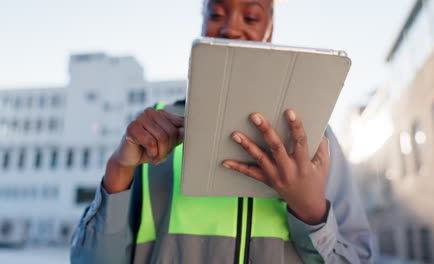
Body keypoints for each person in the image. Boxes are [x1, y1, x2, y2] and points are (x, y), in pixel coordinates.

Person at [70, 0, 373, 263]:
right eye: (215, 14)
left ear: (271, 29)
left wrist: (310, 212)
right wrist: (119, 170)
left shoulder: (315, 137)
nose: (230, 28)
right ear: (201, 21)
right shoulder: (153, 134)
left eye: (252, 17)